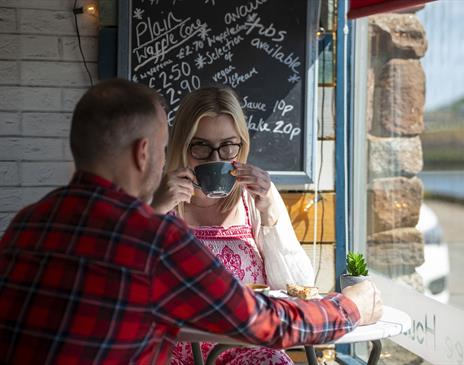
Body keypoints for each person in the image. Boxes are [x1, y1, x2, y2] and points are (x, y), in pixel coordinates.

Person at [0, 79, 382, 365]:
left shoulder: (27, 223)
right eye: (169, 147)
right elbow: (266, 324)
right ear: (144, 152)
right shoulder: (151, 237)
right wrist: (350, 308)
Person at [151, 86, 379, 364]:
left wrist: (272, 209)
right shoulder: (158, 201)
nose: (216, 159)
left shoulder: (252, 202)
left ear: (242, 146)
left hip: (251, 350)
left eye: (228, 147)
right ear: (182, 146)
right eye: (200, 147)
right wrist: (155, 211)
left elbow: (299, 288)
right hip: (176, 353)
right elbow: (132, 286)